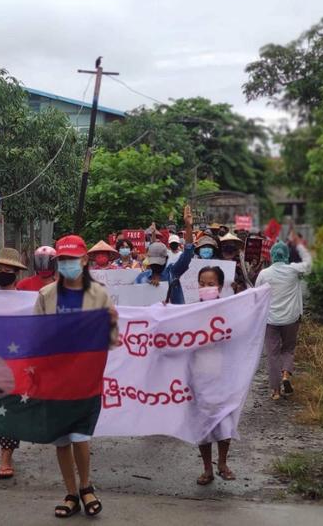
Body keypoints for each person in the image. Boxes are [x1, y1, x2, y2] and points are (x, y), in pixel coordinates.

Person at [34, 235, 118, 518]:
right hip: (55, 379)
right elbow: (37, 335)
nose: (67, 264)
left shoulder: (100, 294)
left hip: (85, 378)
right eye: (62, 260)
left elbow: (111, 337)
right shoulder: (46, 295)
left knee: (81, 436)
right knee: (61, 439)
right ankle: (70, 492)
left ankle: (86, 486)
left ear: (84, 260)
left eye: (72, 259)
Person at [191, 265, 237, 484]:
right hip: (199, 376)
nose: (205, 288)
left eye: (210, 284)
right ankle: (207, 468)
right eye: (201, 283)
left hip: (223, 375)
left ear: (219, 286)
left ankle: (223, 462)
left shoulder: (228, 310)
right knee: (203, 424)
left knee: (224, 420)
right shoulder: (190, 312)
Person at [255, 235, 312, 401]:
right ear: (286, 255)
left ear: (272, 255)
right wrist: (299, 245)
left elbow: (257, 295)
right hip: (291, 318)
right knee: (288, 349)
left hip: (270, 320)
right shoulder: (294, 270)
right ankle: (286, 374)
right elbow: (308, 263)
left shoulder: (264, 273)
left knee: (272, 354)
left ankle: (275, 391)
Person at [0, 247, 27, 479]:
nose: (2, 273)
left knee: (10, 408)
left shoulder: (26, 301)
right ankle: (4, 448)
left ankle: (6, 456)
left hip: (18, 363)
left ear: (16, 274)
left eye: (7, 270)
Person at [135, 205, 194, 304]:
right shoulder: (141, 278)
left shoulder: (173, 273)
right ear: (148, 259)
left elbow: (188, 252)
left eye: (158, 262)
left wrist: (188, 226)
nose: (156, 265)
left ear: (167, 259)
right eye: (154, 262)